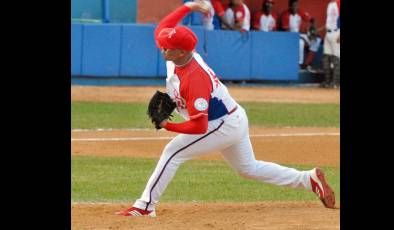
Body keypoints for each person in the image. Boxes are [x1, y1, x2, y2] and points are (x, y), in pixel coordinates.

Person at [115, 0, 336, 217]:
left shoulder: (195, 79)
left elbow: (200, 125)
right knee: (248, 168)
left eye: (168, 47)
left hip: (220, 125)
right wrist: (189, 7)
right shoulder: (176, 56)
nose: (162, 48)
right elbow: (163, 29)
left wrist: (167, 124)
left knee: (172, 153)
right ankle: (308, 179)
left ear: (181, 51)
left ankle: (145, 206)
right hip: (233, 117)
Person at [280, 0, 315, 68]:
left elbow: (312, 19)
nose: (296, 7)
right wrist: (300, 37)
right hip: (289, 36)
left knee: (316, 41)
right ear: (290, 6)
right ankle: (299, 64)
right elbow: (287, 32)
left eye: (297, 5)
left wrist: (313, 30)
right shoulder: (285, 15)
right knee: (300, 42)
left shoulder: (300, 12)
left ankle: (307, 63)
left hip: (298, 34)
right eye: (294, 5)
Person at [321, 0, 340, 88]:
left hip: (336, 33)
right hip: (328, 33)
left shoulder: (338, 3)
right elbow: (328, 22)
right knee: (326, 58)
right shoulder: (330, 4)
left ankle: (335, 83)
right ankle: (327, 81)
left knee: (336, 59)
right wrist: (319, 30)